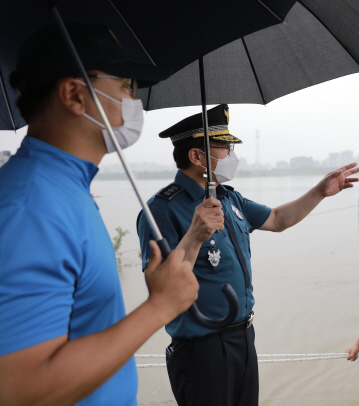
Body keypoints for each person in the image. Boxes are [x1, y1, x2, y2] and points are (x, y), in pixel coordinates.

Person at [0, 24, 215, 405]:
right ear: (74, 94)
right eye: (126, 85)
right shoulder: (31, 206)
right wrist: (159, 308)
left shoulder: (64, 189)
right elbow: (18, 388)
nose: (134, 100)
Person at [137, 104, 359, 406]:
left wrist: (320, 191)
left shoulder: (228, 197)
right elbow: (161, 289)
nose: (232, 156)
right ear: (196, 156)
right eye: (224, 148)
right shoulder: (161, 210)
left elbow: (278, 219)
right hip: (201, 347)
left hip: (243, 336)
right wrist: (194, 235)